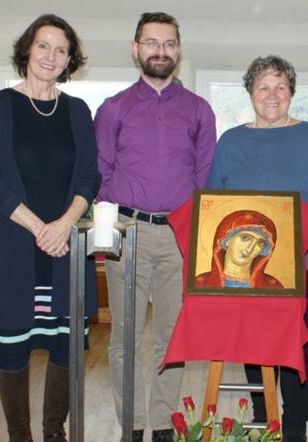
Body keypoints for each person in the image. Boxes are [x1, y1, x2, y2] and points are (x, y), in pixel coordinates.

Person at [206, 55, 308, 442]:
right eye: (264, 86)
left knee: (298, 346)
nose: (273, 94)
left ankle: (296, 427)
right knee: (254, 345)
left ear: (291, 93)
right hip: (247, 269)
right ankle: (263, 418)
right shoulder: (230, 141)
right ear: (250, 92)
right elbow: (213, 205)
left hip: (306, 264)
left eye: (281, 86)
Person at [0, 14, 101, 442]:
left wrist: (64, 225)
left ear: (70, 60)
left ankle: (53, 433)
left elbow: (90, 178)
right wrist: (40, 229)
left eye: (61, 49)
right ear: (27, 50)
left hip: (66, 248)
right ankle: (20, 436)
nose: (51, 56)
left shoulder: (77, 110)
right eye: (44, 46)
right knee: (13, 348)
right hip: (16, 247)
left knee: (66, 346)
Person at [94, 12, 216, 442]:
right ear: (136, 48)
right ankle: (132, 423)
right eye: (151, 42)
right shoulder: (113, 109)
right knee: (124, 338)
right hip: (127, 233)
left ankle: (163, 423)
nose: (160, 50)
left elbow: (205, 177)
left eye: (168, 43)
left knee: (172, 335)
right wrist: (109, 229)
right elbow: (102, 174)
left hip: (180, 236)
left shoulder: (199, 110)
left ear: (178, 51)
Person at [195, 209, 283, 289]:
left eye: (260, 243)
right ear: (226, 240)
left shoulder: (272, 286)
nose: (249, 249)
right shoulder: (201, 283)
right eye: (245, 238)